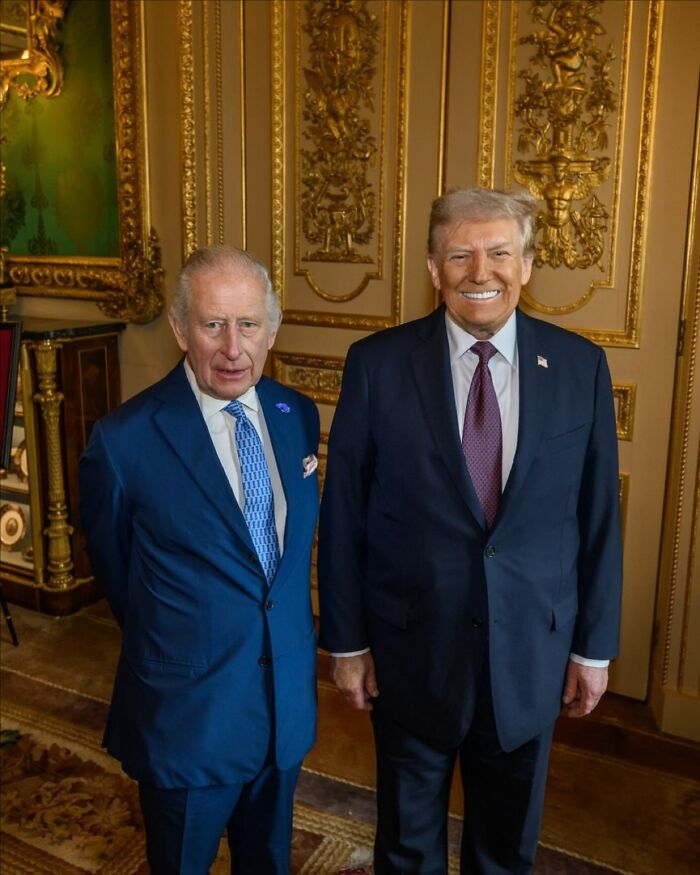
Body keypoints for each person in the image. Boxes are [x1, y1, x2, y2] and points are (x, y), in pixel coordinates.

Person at [317, 187, 622, 874]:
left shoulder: (580, 368)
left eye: (499, 253)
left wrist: (593, 650)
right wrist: (347, 642)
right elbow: (345, 515)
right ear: (433, 268)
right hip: (410, 653)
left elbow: (598, 516)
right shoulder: (377, 365)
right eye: (460, 254)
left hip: (531, 659)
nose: (480, 271)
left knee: (506, 852)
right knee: (405, 847)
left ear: (529, 264)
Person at [80, 245, 320, 874]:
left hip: (282, 709)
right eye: (214, 324)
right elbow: (119, 572)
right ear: (181, 328)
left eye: (248, 325)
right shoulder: (125, 440)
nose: (233, 348)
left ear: (272, 328)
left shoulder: (297, 415)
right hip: (188, 716)